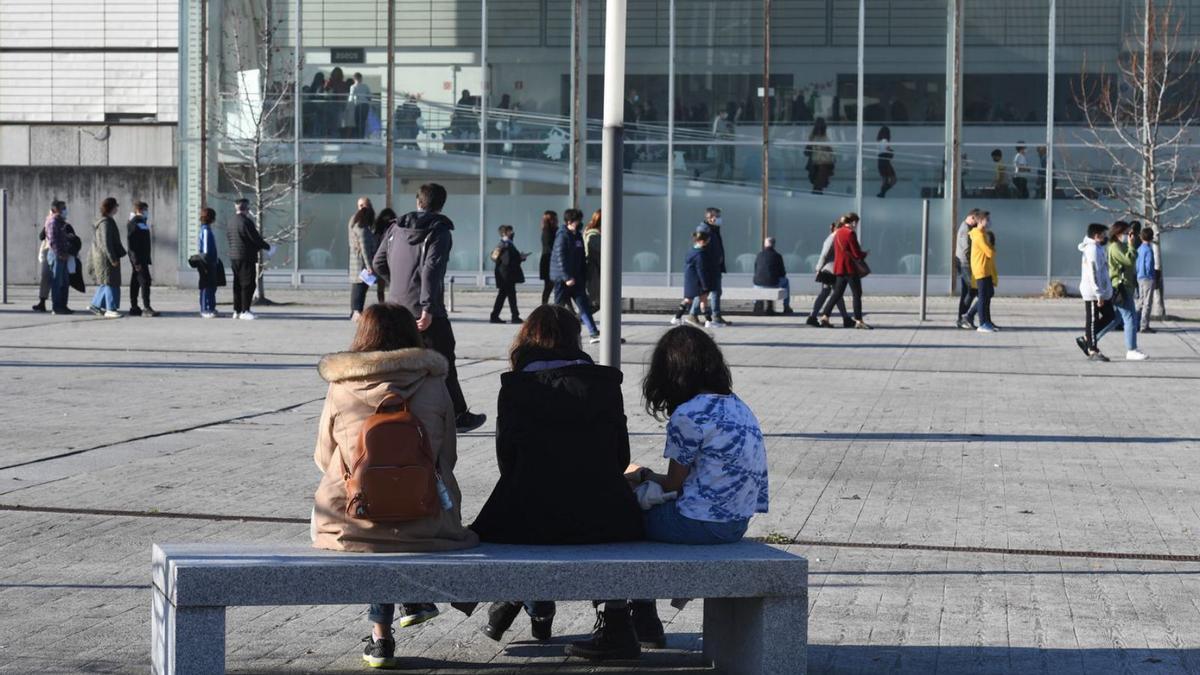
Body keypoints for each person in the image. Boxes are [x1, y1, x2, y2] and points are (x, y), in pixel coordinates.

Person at [574, 326, 768, 661]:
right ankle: (646, 621)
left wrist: (641, 476)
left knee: (613, 520)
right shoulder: (739, 406)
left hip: (698, 523)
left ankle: (618, 626)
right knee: (633, 512)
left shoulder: (689, 414)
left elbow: (675, 484)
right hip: (735, 523)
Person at [312, 303, 479, 669]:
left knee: (376, 528)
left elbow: (324, 458)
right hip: (427, 518)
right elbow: (447, 456)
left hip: (351, 521)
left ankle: (381, 638)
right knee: (400, 524)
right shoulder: (435, 385)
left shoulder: (342, 386)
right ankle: (413, 599)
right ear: (411, 335)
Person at [471, 305, 645, 645]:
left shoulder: (517, 386)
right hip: (603, 516)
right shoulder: (605, 384)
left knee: (516, 519)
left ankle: (514, 600)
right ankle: (628, 621)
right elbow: (619, 457)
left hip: (529, 516)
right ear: (574, 338)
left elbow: (506, 459)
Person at [372, 183, 487, 433]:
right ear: (441, 204)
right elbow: (431, 269)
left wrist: (397, 286)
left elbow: (378, 262)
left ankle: (390, 413)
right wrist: (427, 307)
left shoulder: (394, 228)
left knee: (399, 364)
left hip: (396, 308)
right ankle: (456, 415)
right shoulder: (439, 230)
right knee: (444, 360)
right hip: (426, 310)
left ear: (418, 201)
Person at [550, 208, 601, 344]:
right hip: (563, 280)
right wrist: (566, 277)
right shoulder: (562, 236)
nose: (579, 223)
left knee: (583, 306)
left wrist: (582, 275)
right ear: (569, 222)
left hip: (577, 278)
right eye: (577, 220)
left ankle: (593, 333)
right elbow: (560, 258)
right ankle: (552, 334)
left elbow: (581, 256)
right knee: (558, 308)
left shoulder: (577, 235)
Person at [818, 213, 871, 329]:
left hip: (840, 268)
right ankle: (859, 320)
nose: (856, 226)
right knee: (857, 294)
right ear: (853, 222)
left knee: (837, 293)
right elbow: (856, 253)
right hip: (850, 269)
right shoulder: (850, 233)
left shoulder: (838, 232)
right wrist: (864, 254)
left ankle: (825, 316)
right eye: (856, 223)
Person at [1104, 221, 1148, 360]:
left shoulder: (1120, 245)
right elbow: (1129, 261)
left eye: (1130, 233)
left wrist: (1131, 244)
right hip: (1120, 286)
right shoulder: (1115, 247)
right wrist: (1130, 244)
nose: (1128, 235)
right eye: (1126, 233)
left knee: (1116, 319)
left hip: (1126, 286)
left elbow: (1132, 258)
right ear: (1118, 233)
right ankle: (1131, 350)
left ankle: (1090, 339)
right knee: (1130, 318)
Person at [1076, 223, 1115, 362]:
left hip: (1101, 292)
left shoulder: (1098, 248)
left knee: (1110, 316)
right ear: (1096, 236)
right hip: (1092, 292)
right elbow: (1093, 273)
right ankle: (1092, 350)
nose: (1106, 237)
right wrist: (1098, 293)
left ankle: (1087, 338)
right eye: (1103, 234)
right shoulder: (1092, 249)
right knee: (1092, 320)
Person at [34, 200, 77, 315]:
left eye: (65, 208)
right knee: (57, 282)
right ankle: (57, 306)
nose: (65, 210)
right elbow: (53, 241)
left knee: (64, 281)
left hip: (62, 254)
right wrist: (60, 254)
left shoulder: (60, 222)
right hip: (56, 255)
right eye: (62, 208)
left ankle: (63, 305)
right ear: (54, 210)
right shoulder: (53, 222)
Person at [87, 197, 126, 318]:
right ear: (111, 208)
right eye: (116, 206)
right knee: (111, 283)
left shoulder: (107, 221)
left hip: (103, 257)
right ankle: (110, 308)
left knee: (105, 282)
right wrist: (113, 258)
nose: (117, 209)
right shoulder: (105, 223)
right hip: (105, 259)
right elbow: (106, 243)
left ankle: (95, 305)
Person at [807, 221, 851, 328]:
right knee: (836, 294)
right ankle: (845, 318)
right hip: (830, 270)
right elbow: (824, 254)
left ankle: (813, 317)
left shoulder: (835, 237)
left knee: (827, 293)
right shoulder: (833, 237)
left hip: (831, 270)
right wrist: (818, 268)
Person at [691, 207, 729, 327]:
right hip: (709, 266)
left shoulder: (714, 229)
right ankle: (714, 316)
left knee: (710, 292)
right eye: (718, 216)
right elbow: (699, 247)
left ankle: (697, 315)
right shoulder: (704, 230)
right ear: (711, 218)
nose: (720, 219)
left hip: (715, 266)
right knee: (711, 292)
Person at [672, 230, 715, 327]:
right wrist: (705, 285)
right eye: (708, 240)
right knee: (703, 301)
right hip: (698, 281)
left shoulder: (691, 251)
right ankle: (709, 322)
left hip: (690, 280)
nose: (708, 242)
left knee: (688, 300)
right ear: (702, 241)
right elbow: (701, 270)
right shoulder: (700, 254)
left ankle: (677, 318)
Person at [964, 214, 997, 333]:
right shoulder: (978, 236)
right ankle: (982, 323)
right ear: (981, 221)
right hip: (981, 270)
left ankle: (985, 321)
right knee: (983, 297)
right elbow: (990, 252)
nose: (989, 222)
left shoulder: (983, 234)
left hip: (986, 269)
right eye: (987, 220)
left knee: (988, 295)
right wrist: (992, 249)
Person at [347, 197, 377, 322]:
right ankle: (356, 312)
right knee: (359, 288)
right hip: (361, 263)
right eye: (361, 206)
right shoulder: (361, 226)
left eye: (365, 205)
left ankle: (356, 311)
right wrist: (370, 267)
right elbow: (364, 248)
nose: (363, 208)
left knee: (359, 287)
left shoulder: (359, 223)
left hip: (357, 261)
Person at [489, 225, 526, 324]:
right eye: (510, 231)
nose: (512, 233)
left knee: (503, 296)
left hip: (508, 274)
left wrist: (520, 257)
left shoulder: (509, 244)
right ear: (504, 233)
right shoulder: (503, 244)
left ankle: (495, 316)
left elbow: (511, 259)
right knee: (511, 296)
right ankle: (514, 316)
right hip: (505, 274)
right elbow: (495, 257)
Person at [126, 201, 158, 317]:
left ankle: (134, 307)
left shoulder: (142, 222)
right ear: (139, 210)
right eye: (145, 210)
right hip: (138, 259)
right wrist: (136, 261)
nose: (147, 212)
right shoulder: (134, 223)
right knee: (145, 281)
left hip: (143, 258)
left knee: (135, 281)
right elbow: (131, 244)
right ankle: (146, 307)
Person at [955, 209, 981, 329]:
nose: (977, 224)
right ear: (971, 217)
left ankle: (961, 318)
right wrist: (973, 263)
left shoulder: (965, 226)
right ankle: (965, 317)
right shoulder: (965, 229)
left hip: (963, 264)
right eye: (976, 221)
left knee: (966, 292)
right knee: (973, 290)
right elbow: (966, 250)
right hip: (965, 264)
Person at [752, 237, 792, 315]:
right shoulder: (778, 256)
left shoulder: (759, 255)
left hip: (758, 284)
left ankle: (756, 303)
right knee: (786, 281)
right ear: (774, 245)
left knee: (756, 282)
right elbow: (782, 273)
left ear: (764, 245)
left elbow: (756, 270)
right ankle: (786, 306)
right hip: (773, 283)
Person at [197, 207, 220, 318]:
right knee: (207, 286)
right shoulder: (206, 230)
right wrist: (207, 263)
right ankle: (205, 309)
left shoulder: (206, 229)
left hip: (210, 262)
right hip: (207, 263)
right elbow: (206, 249)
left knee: (210, 286)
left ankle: (210, 307)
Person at [805, 117, 835, 194]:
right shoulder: (815, 137)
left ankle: (817, 192)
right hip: (819, 163)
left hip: (822, 163)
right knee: (819, 181)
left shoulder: (824, 136)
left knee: (819, 181)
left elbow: (831, 150)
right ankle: (817, 192)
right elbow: (806, 151)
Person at [373, 208, 396, 303]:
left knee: (382, 285)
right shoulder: (394, 228)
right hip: (389, 258)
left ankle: (382, 302)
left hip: (383, 258)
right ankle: (385, 302)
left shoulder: (378, 230)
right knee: (387, 283)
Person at [1137, 227, 1157, 333]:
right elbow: (1149, 265)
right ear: (1151, 237)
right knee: (1147, 302)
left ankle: (1136, 323)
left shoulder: (1139, 248)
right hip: (1148, 278)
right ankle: (1144, 326)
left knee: (1141, 301)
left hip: (1139, 276)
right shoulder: (1149, 250)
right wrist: (1152, 276)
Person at [584, 210, 602, 313]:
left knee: (596, 301)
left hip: (596, 270)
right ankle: (581, 318)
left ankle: (583, 318)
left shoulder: (593, 233)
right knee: (595, 301)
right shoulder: (594, 235)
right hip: (594, 271)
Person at [538, 210, 558, 306]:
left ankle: (545, 304)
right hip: (549, 262)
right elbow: (549, 248)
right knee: (549, 286)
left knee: (552, 286)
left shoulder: (553, 231)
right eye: (555, 219)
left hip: (549, 260)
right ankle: (544, 305)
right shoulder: (547, 232)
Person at [348, 73, 372, 139]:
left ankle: (358, 137)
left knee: (357, 121)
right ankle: (362, 137)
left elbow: (351, 97)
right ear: (361, 78)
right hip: (365, 105)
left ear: (354, 79)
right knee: (363, 121)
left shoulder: (353, 87)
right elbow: (370, 96)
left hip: (358, 105)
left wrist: (348, 106)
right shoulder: (365, 86)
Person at [876, 126, 897, 198]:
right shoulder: (885, 141)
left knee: (885, 179)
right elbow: (888, 150)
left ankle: (882, 193)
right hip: (885, 161)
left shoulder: (878, 142)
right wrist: (891, 151)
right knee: (893, 179)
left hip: (880, 161)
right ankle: (883, 192)